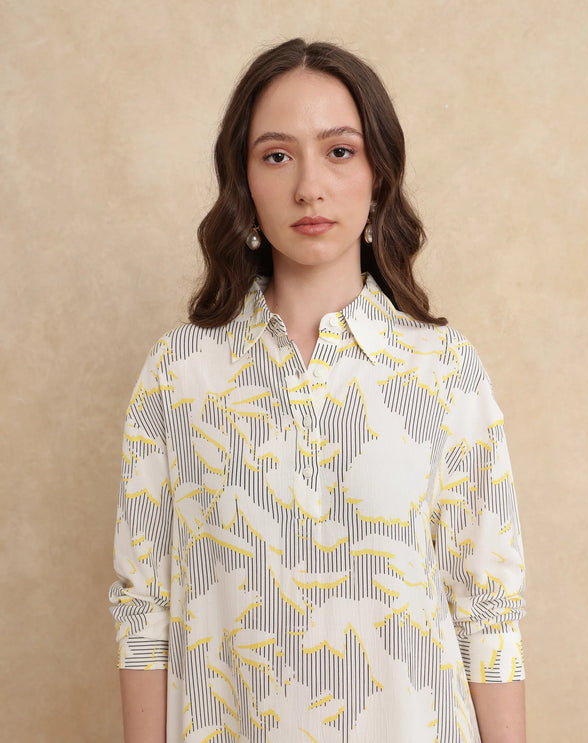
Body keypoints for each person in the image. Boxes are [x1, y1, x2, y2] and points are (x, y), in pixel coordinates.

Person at [110, 38, 526, 743]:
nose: (310, 186)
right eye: (277, 156)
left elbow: (489, 609)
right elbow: (141, 607)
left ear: (378, 176)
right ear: (244, 183)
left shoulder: (445, 371)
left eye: (339, 151)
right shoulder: (179, 375)